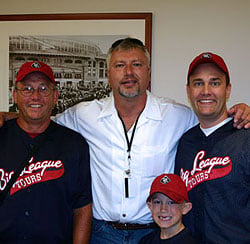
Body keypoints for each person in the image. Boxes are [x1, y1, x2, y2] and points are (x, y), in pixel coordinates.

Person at [0, 39, 249, 244]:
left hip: (155, 234)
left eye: (137, 64)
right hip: (101, 234)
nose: (129, 72)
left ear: (148, 73)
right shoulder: (84, 115)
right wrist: (5, 116)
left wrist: (240, 112)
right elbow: (40, 116)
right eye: (120, 65)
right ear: (108, 74)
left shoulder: (177, 115)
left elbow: (212, 118)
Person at [0, 61, 92, 243]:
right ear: (15, 96)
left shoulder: (74, 144)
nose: (35, 96)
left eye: (43, 89)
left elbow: (82, 208)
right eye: (27, 89)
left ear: (55, 96)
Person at [174, 52, 250, 243]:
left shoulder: (245, 137)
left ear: (228, 89)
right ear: (189, 90)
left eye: (215, 83)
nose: (206, 90)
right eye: (198, 83)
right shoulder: (184, 142)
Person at [139, 173, 198, 244]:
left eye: (171, 202)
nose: (163, 209)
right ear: (150, 206)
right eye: (157, 202)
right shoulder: (146, 241)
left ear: (185, 207)